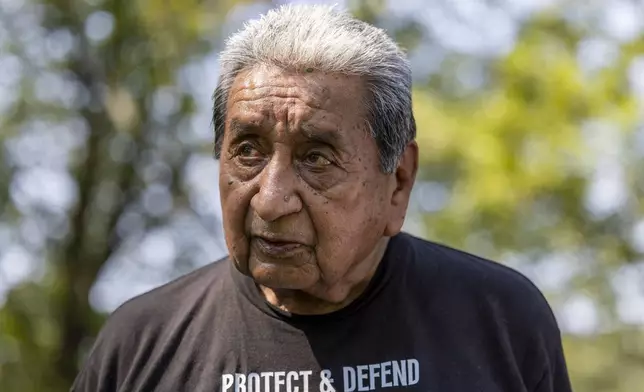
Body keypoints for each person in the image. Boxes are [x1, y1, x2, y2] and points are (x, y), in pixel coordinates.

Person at [71, 4, 573, 392]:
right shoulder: (140, 346)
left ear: (397, 182)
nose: (270, 201)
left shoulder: (499, 322)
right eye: (247, 151)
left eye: (317, 158)